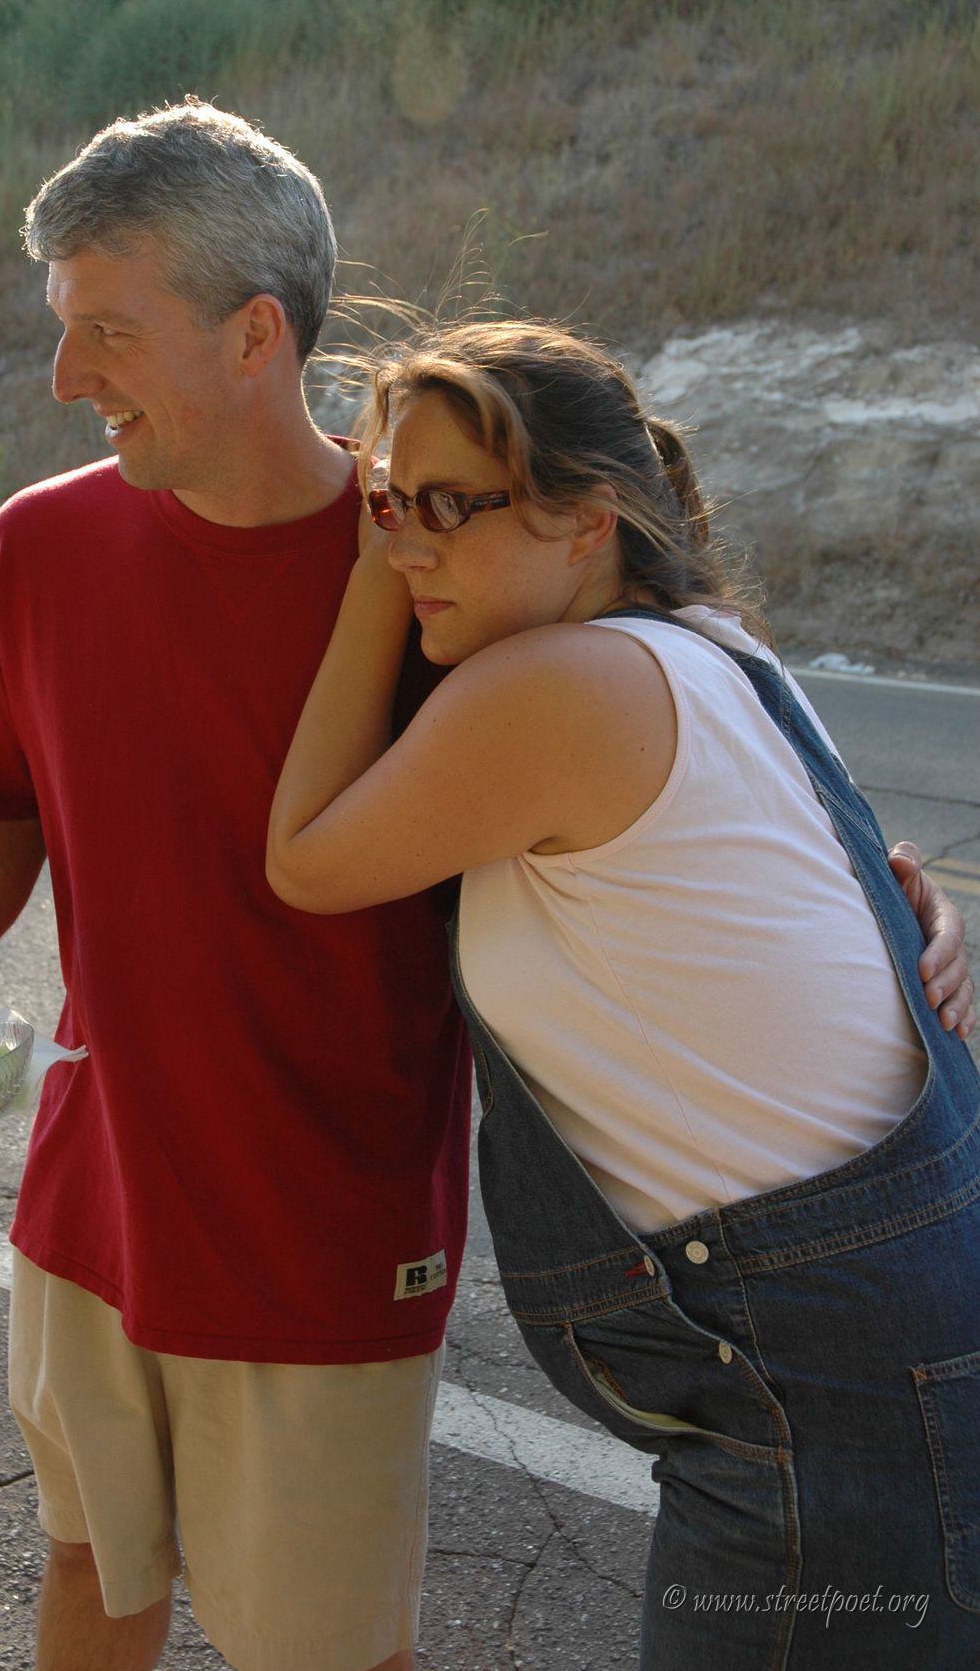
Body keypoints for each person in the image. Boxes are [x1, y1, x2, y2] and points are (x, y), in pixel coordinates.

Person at [0, 105, 969, 1671]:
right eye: (61, 324)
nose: (62, 377)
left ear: (255, 333)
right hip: (86, 1199)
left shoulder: (451, 581)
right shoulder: (40, 546)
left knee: (324, 1647)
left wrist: (901, 910)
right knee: (91, 1569)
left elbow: (710, 759)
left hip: (324, 1234)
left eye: (106, 330)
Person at [266, 318, 980, 1667]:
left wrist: (368, 577)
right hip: (876, 1352)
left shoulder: (555, 684)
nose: (407, 542)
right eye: (387, 504)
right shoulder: (713, 643)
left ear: (588, 517)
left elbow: (302, 859)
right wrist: (920, 915)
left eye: (447, 506)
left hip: (819, 1398)